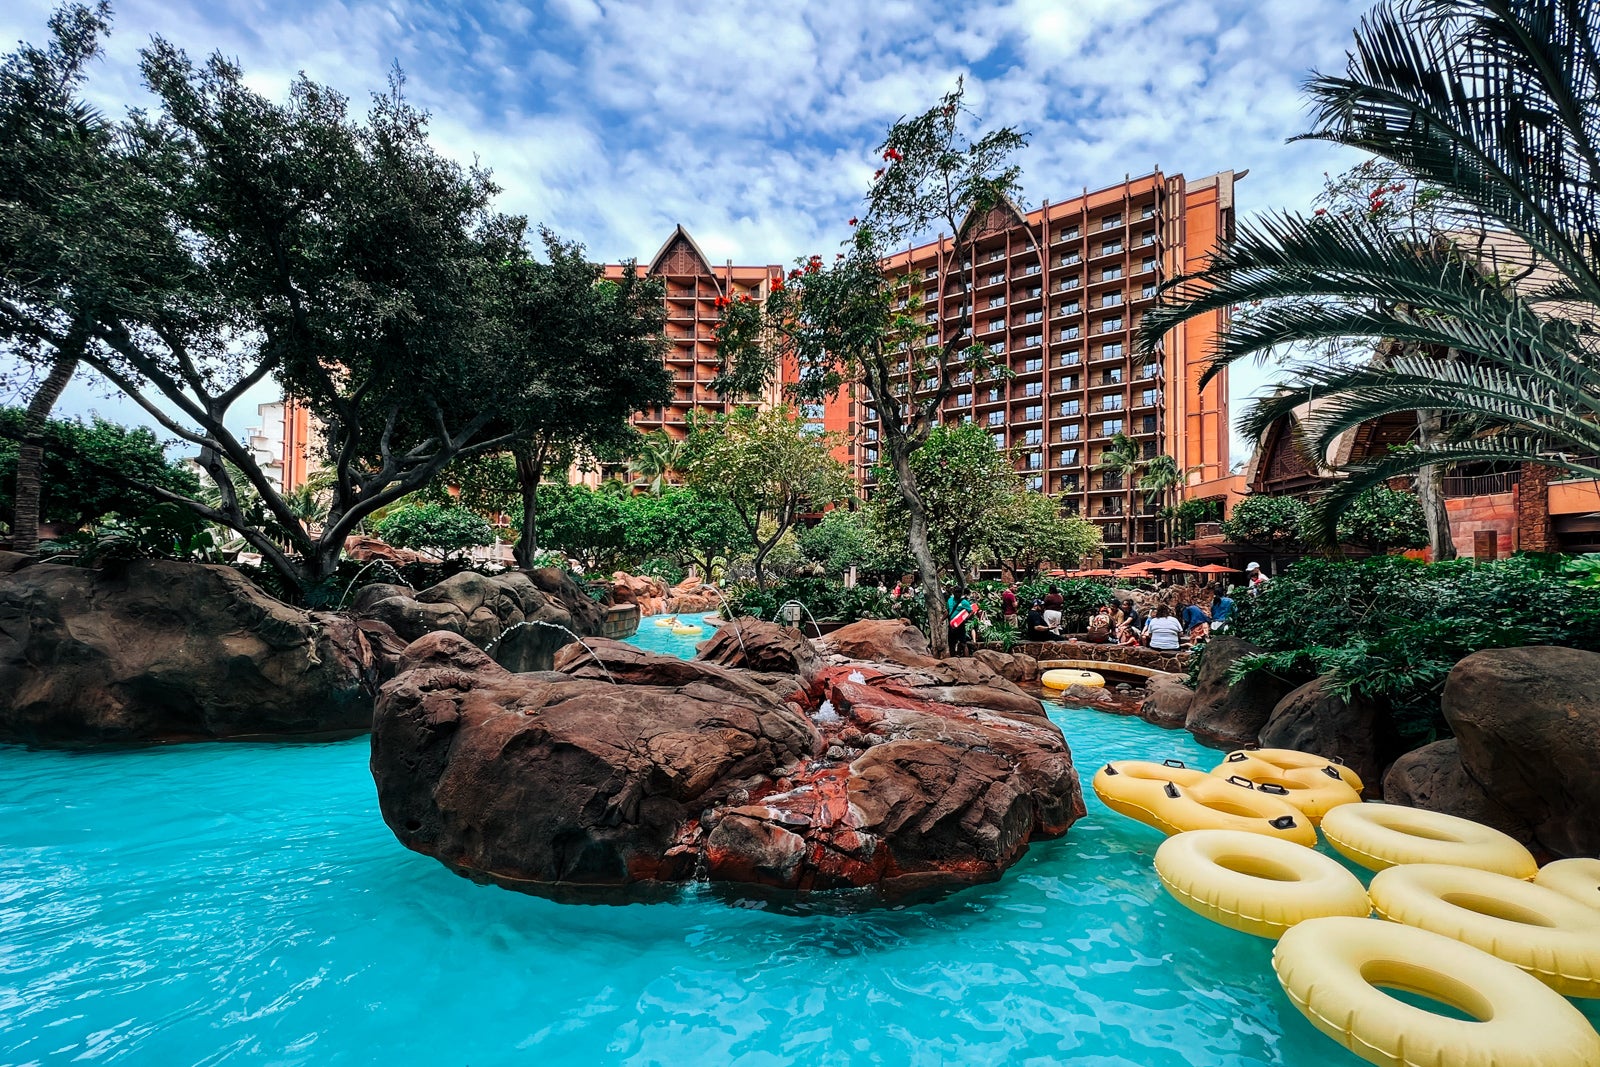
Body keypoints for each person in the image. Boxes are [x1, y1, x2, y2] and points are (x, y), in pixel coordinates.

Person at [947, 589, 975, 656]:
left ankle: (967, 660)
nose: (958, 594)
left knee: (963, 643)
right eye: (956, 592)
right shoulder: (950, 600)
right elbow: (948, 611)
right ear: (953, 592)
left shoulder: (964, 602)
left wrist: (966, 618)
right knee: (951, 643)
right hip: (952, 625)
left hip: (960, 625)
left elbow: (971, 611)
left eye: (959, 592)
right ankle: (952, 659)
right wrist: (942, 620)